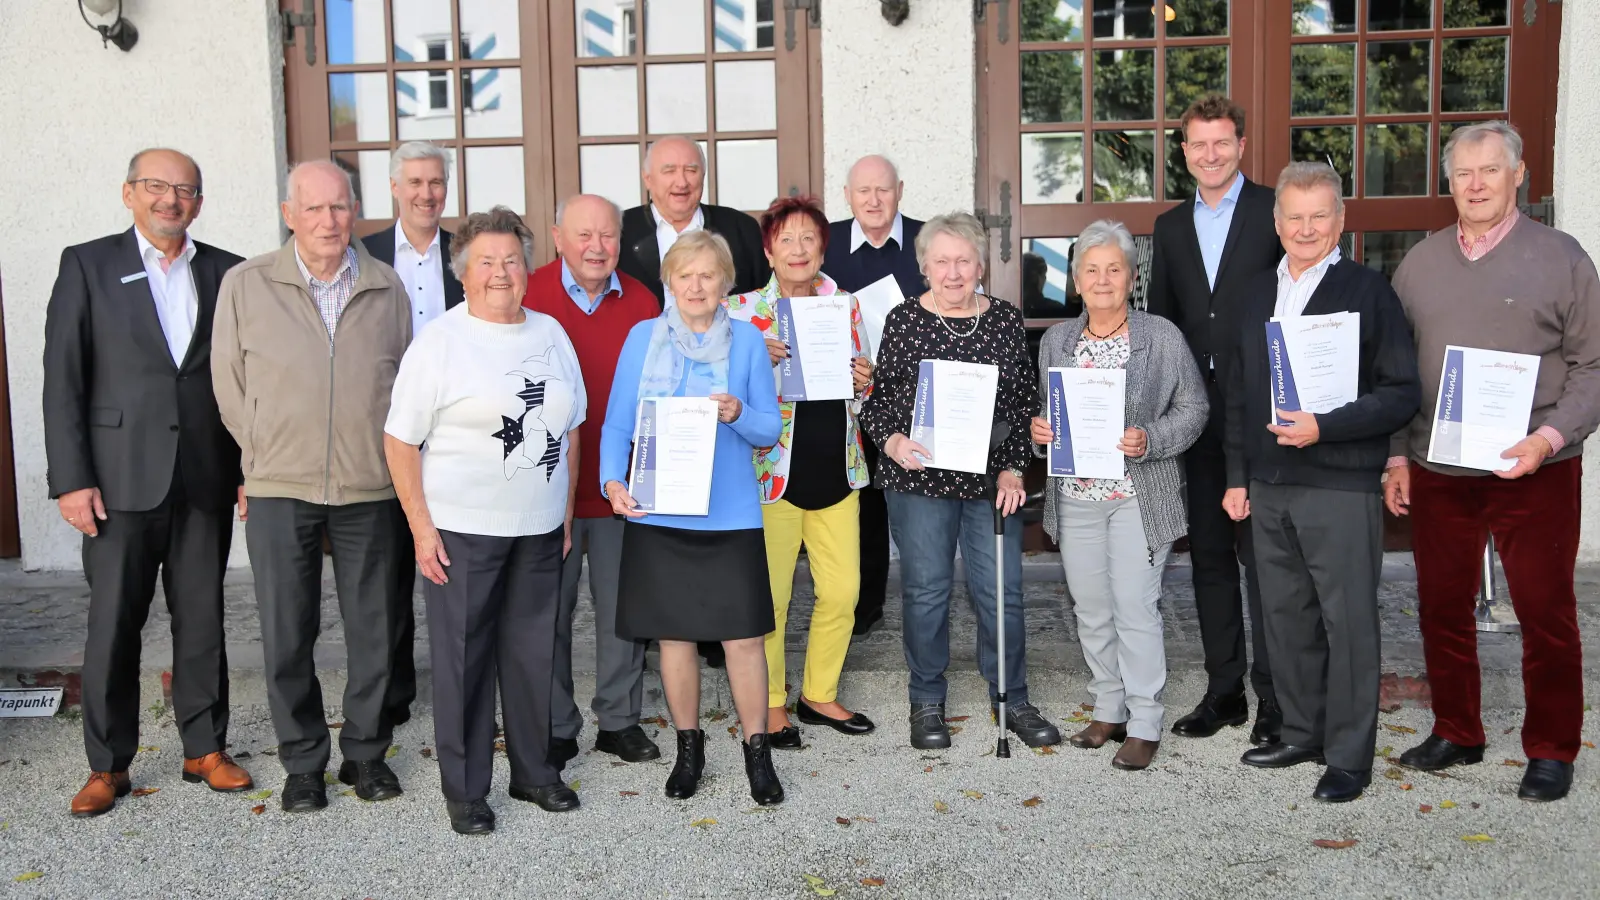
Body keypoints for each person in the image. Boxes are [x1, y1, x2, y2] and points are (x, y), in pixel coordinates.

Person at [1386, 122, 1600, 803]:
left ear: (1518, 176)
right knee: (1442, 607)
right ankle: (1458, 729)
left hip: (1534, 467)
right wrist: (1397, 456)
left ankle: (1552, 746)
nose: (1475, 185)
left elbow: (1594, 367)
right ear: (1448, 183)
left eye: (1488, 171)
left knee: (1545, 611)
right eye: (1462, 174)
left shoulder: (1563, 258)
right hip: (1439, 469)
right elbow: (1394, 374)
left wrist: (1547, 438)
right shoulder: (1418, 265)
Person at [45, 148, 251, 817]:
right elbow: (63, 381)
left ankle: (204, 748)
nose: (171, 199)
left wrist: (250, 469)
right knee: (112, 625)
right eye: (157, 186)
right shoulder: (88, 263)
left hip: (203, 477)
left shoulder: (225, 271)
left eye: (185, 189)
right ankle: (108, 765)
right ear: (129, 191)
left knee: (203, 619)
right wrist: (71, 480)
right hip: (115, 481)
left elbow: (243, 381)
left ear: (199, 200)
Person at [211, 160, 411, 813]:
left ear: (355, 211)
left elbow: (404, 389)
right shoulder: (245, 285)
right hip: (278, 485)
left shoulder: (387, 287)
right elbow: (228, 386)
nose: (329, 221)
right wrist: (262, 450)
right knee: (286, 630)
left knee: (375, 629)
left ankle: (365, 754)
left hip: (370, 485)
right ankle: (302, 762)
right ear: (288, 212)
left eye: (340, 207)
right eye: (315, 208)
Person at [1223, 163, 1421, 802]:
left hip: (1338, 482)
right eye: (1294, 217)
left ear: (1339, 221)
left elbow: (1400, 393)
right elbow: (1237, 394)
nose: (1306, 228)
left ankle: (1349, 754)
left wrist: (1326, 427)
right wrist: (1236, 476)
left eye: (1319, 216)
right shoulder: (1255, 295)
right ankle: (1302, 731)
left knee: (1348, 621)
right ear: (1276, 223)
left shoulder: (1369, 291)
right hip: (1269, 482)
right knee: (1285, 619)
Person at [385, 207, 586, 835]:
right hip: (463, 530)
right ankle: (467, 791)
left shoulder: (551, 332)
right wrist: (422, 528)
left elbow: (572, 426)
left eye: (511, 260)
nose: (501, 272)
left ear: (528, 269)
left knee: (533, 654)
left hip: (538, 526)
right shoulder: (440, 343)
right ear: (464, 273)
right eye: (486, 262)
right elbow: (399, 441)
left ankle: (534, 773)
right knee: (465, 661)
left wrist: (566, 511)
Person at [858, 212, 1059, 751]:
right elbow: (877, 404)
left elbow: (1022, 404)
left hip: (991, 481)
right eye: (941, 261)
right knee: (926, 592)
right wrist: (894, 443)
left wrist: (1015, 466)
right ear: (924, 266)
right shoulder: (903, 319)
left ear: (980, 266)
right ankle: (926, 699)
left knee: (1002, 591)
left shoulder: (1005, 320)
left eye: (963, 261)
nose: (952, 272)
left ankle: (1011, 696)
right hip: (919, 478)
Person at [599, 229, 786, 804]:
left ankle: (758, 755)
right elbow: (616, 424)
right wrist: (612, 481)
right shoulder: (641, 339)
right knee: (674, 640)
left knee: (744, 640)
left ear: (726, 282)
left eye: (708, 274)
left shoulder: (750, 343)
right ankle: (688, 750)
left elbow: (769, 430)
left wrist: (738, 412)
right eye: (685, 275)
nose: (696, 285)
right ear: (669, 282)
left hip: (729, 516)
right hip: (660, 514)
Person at [1029, 220, 1208, 772]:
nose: (1103, 280)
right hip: (1077, 496)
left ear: (1132, 277)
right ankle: (1108, 708)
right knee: (1092, 608)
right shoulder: (1058, 340)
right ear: (1076, 280)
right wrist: (1042, 433)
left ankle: (1145, 717)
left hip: (1138, 495)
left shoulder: (1161, 337)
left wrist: (1151, 439)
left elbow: (1195, 408)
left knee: (1134, 607)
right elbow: (1047, 413)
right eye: (1091, 269)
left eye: (1114, 269)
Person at [1144, 93, 1284, 745]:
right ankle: (1224, 690)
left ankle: (1277, 697)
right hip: (1197, 415)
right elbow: (1166, 324)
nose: (1210, 154)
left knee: (1266, 559)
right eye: (1197, 144)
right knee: (1207, 556)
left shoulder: (1273, 213)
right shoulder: (1169, 228)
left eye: (1221, 142)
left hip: (1263, 414)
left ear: (1241, 145)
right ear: (1183, 151)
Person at [725, 196, 877, 747]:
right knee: (771, 597)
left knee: (842, 592)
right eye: (785, 240)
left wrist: (866, 379)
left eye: (808, 239)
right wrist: (750, 364)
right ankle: (769, 703)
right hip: (771, 477)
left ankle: (819, 693)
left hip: (837, 469)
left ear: (821, 248)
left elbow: (864, 387)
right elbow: (720, 395)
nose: (797, 250)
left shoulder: (847, 306)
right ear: (768, 250)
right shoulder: (740, 313)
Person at [523, 195, 662, 770]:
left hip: (618, 488)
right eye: (584, 235)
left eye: (607, 235)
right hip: (543, 490)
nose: (596, 247)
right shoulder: (528, 294)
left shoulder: (645, 301)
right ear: (558, 237)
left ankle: (619, 720)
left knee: (621, 612)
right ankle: (554, 724)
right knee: (546, 613)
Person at [360, 140, 466, 730]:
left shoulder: (465, 253)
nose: (427, 193)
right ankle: (394, 690)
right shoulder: (364, 252)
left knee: (457, 563)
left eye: (436, 183)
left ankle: (464, 683)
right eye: (416, 183)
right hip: (388, 429)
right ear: (395, 187)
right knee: (387, 570)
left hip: (456, 434)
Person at [823, 154, 926, 637]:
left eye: (883, 189)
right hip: (843, 403)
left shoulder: (930, 242)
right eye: (863, 191)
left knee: (912, 506)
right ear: (847, 195)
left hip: (915, 401)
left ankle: (924, 605)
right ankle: (864, 610)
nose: (873, 199)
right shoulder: (825, 248)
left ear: (900, 190)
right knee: (859, 502)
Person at [617, 135, 770, 306]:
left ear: (703, 175)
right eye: (669, 171)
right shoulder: (619, 231)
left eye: (691, 170)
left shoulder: (741, 228)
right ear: (648, 179)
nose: (682, 182)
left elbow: (764, 298)